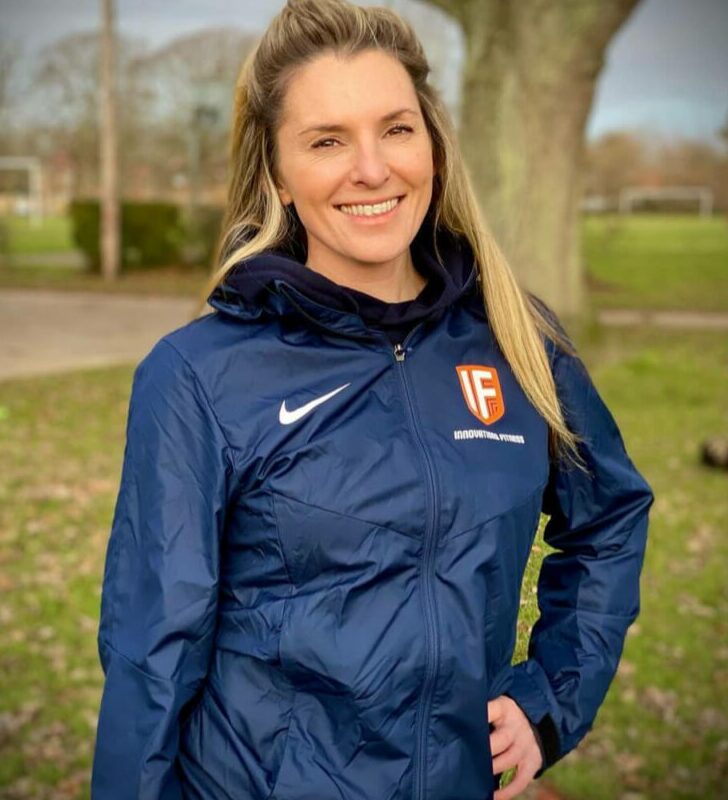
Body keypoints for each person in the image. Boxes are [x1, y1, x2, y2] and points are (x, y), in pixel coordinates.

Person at [91, 1, 654, 798]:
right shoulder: (197, 376)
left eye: (396, 128)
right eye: (327, 140)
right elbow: (151, 652)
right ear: (278, 175)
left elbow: (608, 518)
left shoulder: (518, 338)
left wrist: (550, 699)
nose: (373, 168)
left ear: (432, 143)